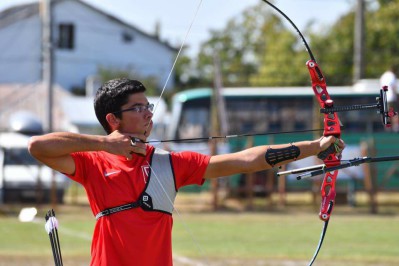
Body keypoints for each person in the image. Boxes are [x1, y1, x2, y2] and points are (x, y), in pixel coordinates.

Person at [28, 78, 345, 266]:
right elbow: (39, 147)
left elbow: (247, 160)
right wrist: (105, 145)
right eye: (138, 108)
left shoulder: (170, 163)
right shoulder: (94, 163)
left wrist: (317, 145)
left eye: (148, 106)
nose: (148, 113)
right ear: (114, 120)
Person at [380, 65, 399, 132]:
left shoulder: (383, 76)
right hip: (391, 98)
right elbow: (394, 87)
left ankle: (387, 128)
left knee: (386, 113)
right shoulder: (392, 75)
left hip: (384, 98)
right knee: (393, 113)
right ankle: (395, 128)